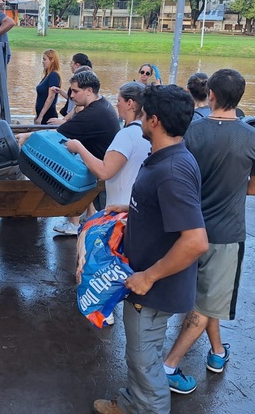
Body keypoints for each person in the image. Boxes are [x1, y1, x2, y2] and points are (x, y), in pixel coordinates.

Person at [93, 84, 208, 414]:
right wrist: (132, 208)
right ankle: (130, 404)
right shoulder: (166, 159)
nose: (138, 120)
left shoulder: (171, 172)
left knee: (145, 361)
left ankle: (148, 408)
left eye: (142, 115)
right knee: (140, 352)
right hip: (148, 281)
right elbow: (170, 210)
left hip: (155, 287)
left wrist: (148, 276)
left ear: (154, 121)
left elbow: (195, 240)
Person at [162, 69, 255, 395]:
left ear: (211, 95)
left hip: (185, 230)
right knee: (208, 303)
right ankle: (168, 366)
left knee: (206, 298)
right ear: (240, 97)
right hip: (225, 235)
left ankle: (218, 352)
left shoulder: (191, 132)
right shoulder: (253, 138)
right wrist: (234, 189)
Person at [67, 81, 149, 325]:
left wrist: (79, 148)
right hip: (137, 209)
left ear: (131, 104)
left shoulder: (127, 135)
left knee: (106, 265)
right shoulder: (149, 134)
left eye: (120, 101)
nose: (117, 105)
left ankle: (103, 310)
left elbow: (105, 171)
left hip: (118, 212)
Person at [17, 70, 119, 236]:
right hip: (100, 160)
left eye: (75, 91)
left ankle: (73, 222)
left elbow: (59, 133)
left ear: (89, 91)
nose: (71, 95)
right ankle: (88, 216)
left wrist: (27, 137)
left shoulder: (92, 114)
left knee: (58, 167)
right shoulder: (101, 105)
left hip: (98, 168)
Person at [34, 49, 62, 125]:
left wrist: (41, 116)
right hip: (42, 114)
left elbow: (51, 97)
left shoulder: (53, 76)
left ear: (52, 60)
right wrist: (37, 115)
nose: (43, 62)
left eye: (44, 59)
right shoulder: (47, 76)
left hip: (48, 115)